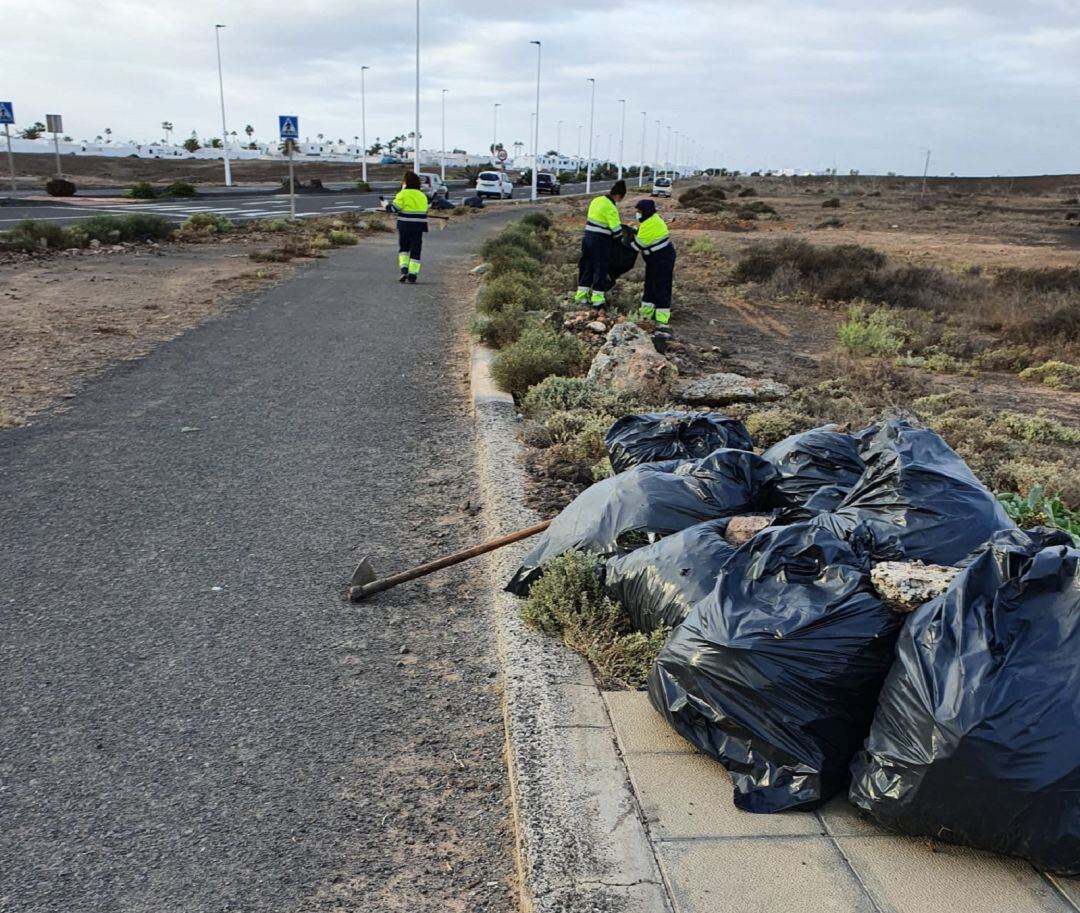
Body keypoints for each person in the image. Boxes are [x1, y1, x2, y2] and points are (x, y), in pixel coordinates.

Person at [575, 179, 627, 311]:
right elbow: (616, 230)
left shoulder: (596, 200)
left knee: (586, 265)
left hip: (587, 238)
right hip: (600, 241)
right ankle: (597, 300)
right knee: (600, 268)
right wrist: (621, 238)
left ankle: (581, 296)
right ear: (619, 196)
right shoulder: (611, 207)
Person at [631, 198, 676, 337]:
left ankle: (662, 320)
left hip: (662, 258)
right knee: (650, 284)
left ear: (645, 211)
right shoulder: (652, 219)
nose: (637, 214)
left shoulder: (650, 223)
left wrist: (626, 239)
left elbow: (637, 246)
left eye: (639, 211)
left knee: (662, 285)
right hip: (655, 258)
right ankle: (646, 315)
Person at [387, 171, 429, 283]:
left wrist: (386, 205)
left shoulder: (402, 194)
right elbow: (426, 209)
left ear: (405, 182)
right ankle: (413, 274)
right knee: (416, 249)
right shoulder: (422, 195)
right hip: (419, 226)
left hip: (405, 225)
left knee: (404, 248)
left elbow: (393, 209)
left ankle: (404, 270)